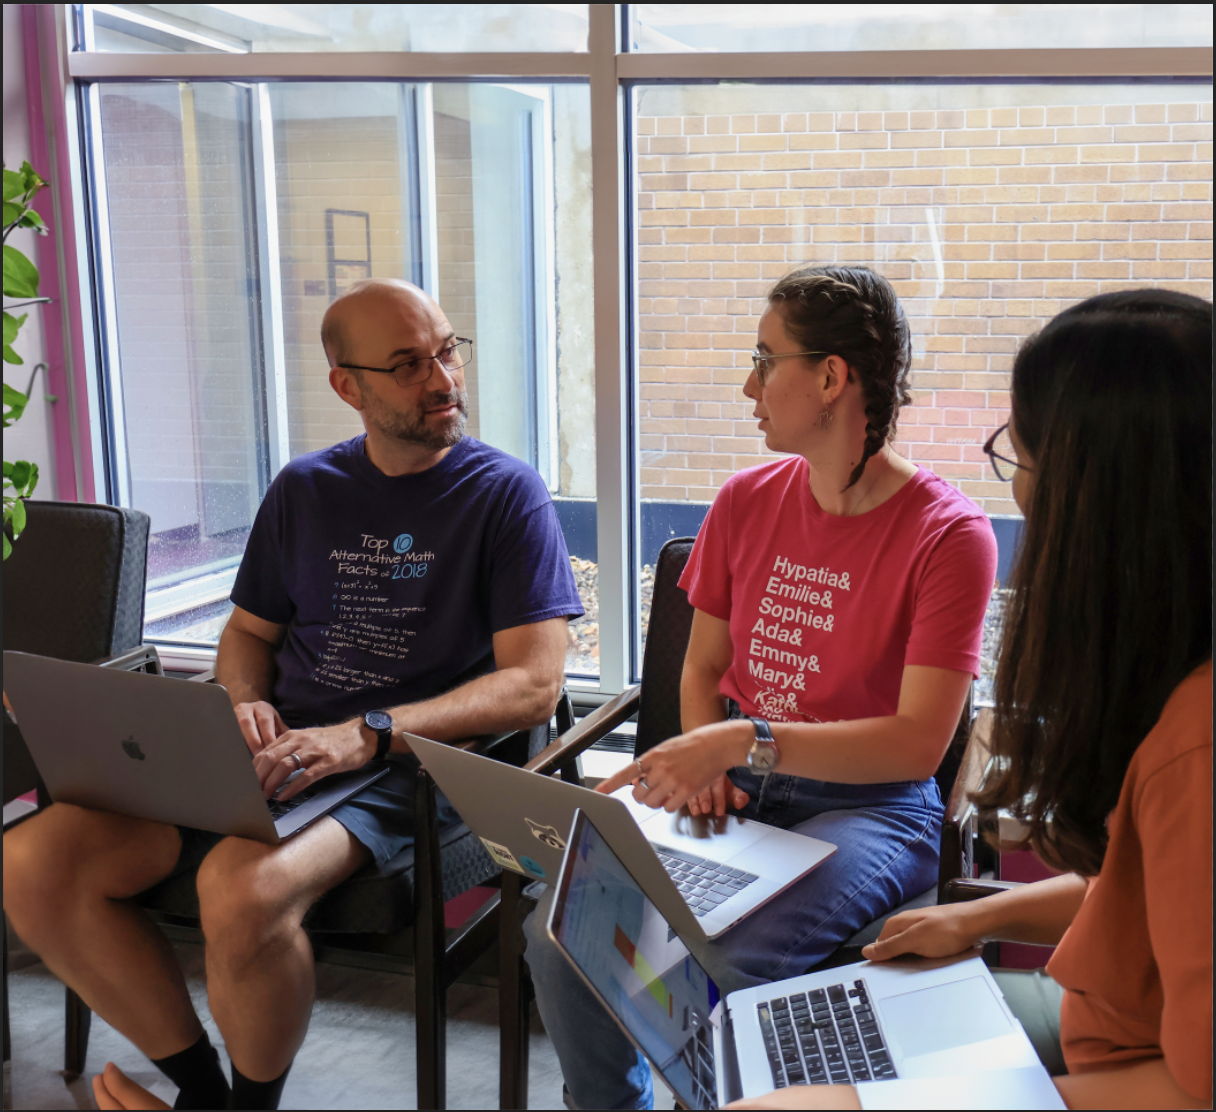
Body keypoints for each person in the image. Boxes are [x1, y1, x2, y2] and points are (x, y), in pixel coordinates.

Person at [3, 278, 584, 1111]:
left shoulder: (504, 494)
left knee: (240, 889)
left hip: (408, 774)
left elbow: (535, 686)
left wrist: (368, 732)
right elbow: (248, 635)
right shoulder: (306, 488)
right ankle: (206, 1094)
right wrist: (239, 698)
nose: (444, 380)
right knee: (30, 862)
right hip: (273, 758)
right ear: (348, 386)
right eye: (409, 364)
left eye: (448, 350)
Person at [524, 265, 999, 1109]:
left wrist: (742, 742)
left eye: (764, 358)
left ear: (830, 377)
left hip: (873, 806)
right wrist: (710, 766)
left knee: (717, 959)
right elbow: (702, 669)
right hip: (737, 785)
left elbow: (918, 743)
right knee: (560, 935)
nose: (749, 384)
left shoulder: (949, 536)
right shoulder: (746, 500)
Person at [727, 289, 1214, 1109]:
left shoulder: (1196, 750)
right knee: (800, 1045)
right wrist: (980, 920)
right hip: (1104, 1018)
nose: (1019, 494)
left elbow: (1196, 1091)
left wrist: (878, 1107)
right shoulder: (1175, 683)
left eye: (1021, 461)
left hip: (1129, 1060)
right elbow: (1138, 892)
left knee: (803, 1077)